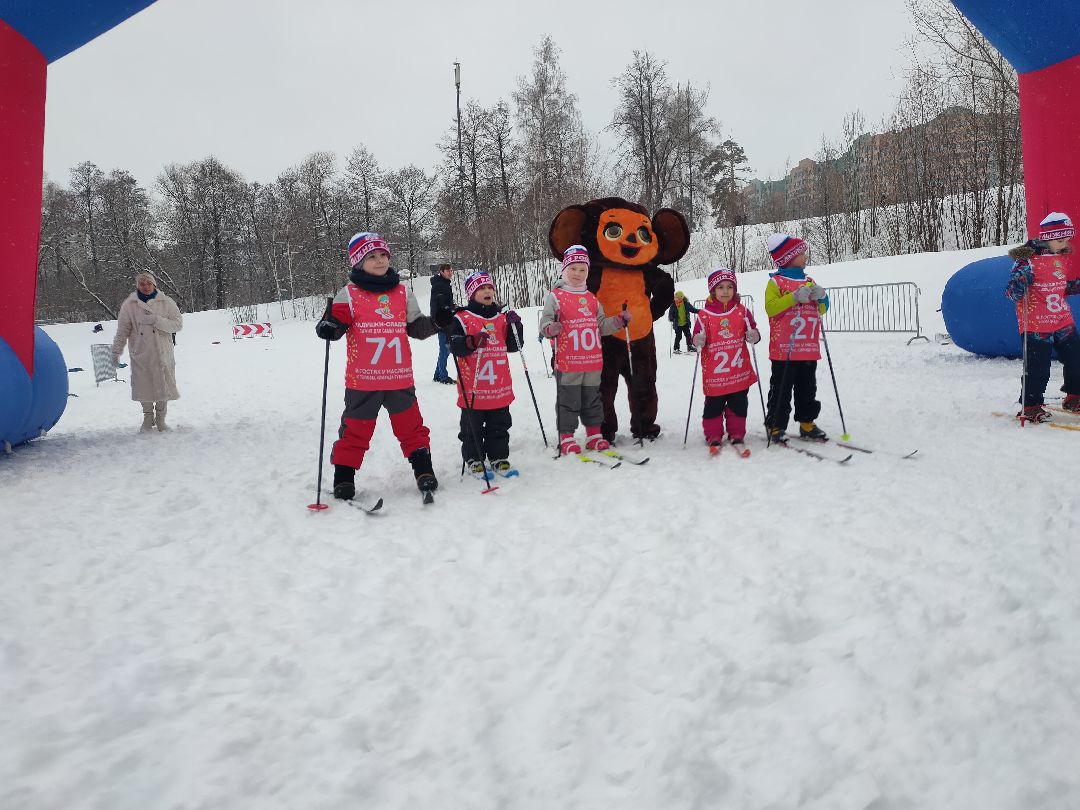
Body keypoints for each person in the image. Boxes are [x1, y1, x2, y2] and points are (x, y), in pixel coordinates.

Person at [315, 232, 452, 499]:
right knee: (355, 429)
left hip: (399, 378)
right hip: (363, 380)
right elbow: (335, 324)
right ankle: (344, 477)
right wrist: (328, 327)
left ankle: (423, 470)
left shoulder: (402, 292)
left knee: (411, 428)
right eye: (371, 256)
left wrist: (438, 322)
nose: (380, 260)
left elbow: (416, 328)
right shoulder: (349, 293)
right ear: (358, 262)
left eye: (383, 255)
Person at [539, 245, 629, 455]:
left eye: (582, 270)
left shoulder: (591, 298)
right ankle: (567, 437)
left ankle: (594, 435)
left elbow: (601, 326)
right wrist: (551, 328)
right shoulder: (555, 296)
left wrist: (617, 321)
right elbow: (544, 324)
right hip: (569, 362)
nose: (578, 274)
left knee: (592, 400)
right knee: (569, 401)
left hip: (591, 362)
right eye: (573, 269)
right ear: (564, 270)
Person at [1005, 211, 1080, 422]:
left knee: (1076, 359)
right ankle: (1031, 405)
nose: (1064, 243)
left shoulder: (1060, 257)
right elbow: (1011, 292)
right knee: (1038, 367)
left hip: (1062, 319)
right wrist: (1021, 282)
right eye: (1059, 239)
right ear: (1047, 238)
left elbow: (1059, 287)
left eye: (1066, 239)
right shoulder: (1026, 260)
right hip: (1037, 323)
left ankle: (1075, 396)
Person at [447, 272, 524, 477]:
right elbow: (453, 346)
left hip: (499, 385)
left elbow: (514, 346)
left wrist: (517, 326)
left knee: (499, 425)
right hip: (474, 387)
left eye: (490, 287)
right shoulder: (462, 318)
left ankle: (499, 457)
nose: (487, 291)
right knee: (472, 428)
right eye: (481, 288)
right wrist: (470, 342)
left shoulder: (501, 318)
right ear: (471, 293)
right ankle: (474, 458)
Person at [762, 233, 830, 443]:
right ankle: (775, 425)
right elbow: (771, 309)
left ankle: (807, 422)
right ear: (789, 257)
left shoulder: (809, 281)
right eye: (801, 253)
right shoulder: (776, 282)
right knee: (781, 388)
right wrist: (792, 298)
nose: (805, 257)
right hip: (785, 349)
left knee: (807, 388)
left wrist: (822, 297)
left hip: (807, 347)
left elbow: (823, 310)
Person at [692, 268, 760, 449]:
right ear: (713, 290)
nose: (725, 291)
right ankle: (713, 434)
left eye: (730, 287)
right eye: (720, 287)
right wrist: (697, 340)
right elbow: (697, 336)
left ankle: (737, 432)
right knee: (713, 405)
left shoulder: (742, 311)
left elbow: (752, 328)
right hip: (716, 373)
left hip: (738, 370)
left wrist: (754, 335)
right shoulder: (704, 315)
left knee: (739, 403)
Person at [111, 271, 183, 432]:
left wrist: (157, 320)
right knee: (145, 387)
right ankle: (147, 418)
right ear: (137, 286)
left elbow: (178, 324)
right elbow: (122, 330)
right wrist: (116, 352)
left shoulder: (166, 302)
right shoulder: (129, 305)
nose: (145, 287)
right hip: (140, 353)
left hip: (162, 353)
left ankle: (161, 420)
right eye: (142, 284)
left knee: (163, 386)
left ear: (154, 284)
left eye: (148, 283)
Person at [430, 263, 456, 384]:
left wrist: (452, 307)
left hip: (445, 318)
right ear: (441, 271)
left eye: (451, 270)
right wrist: (440, 319)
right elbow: (436, 304)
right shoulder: (439, 285)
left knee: (446, 349)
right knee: (445, 348)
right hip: (442, 321)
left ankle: (437, 374)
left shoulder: (444, 284)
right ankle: (443, 377)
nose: (451, 273)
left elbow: (445, 302)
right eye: (448, 271)